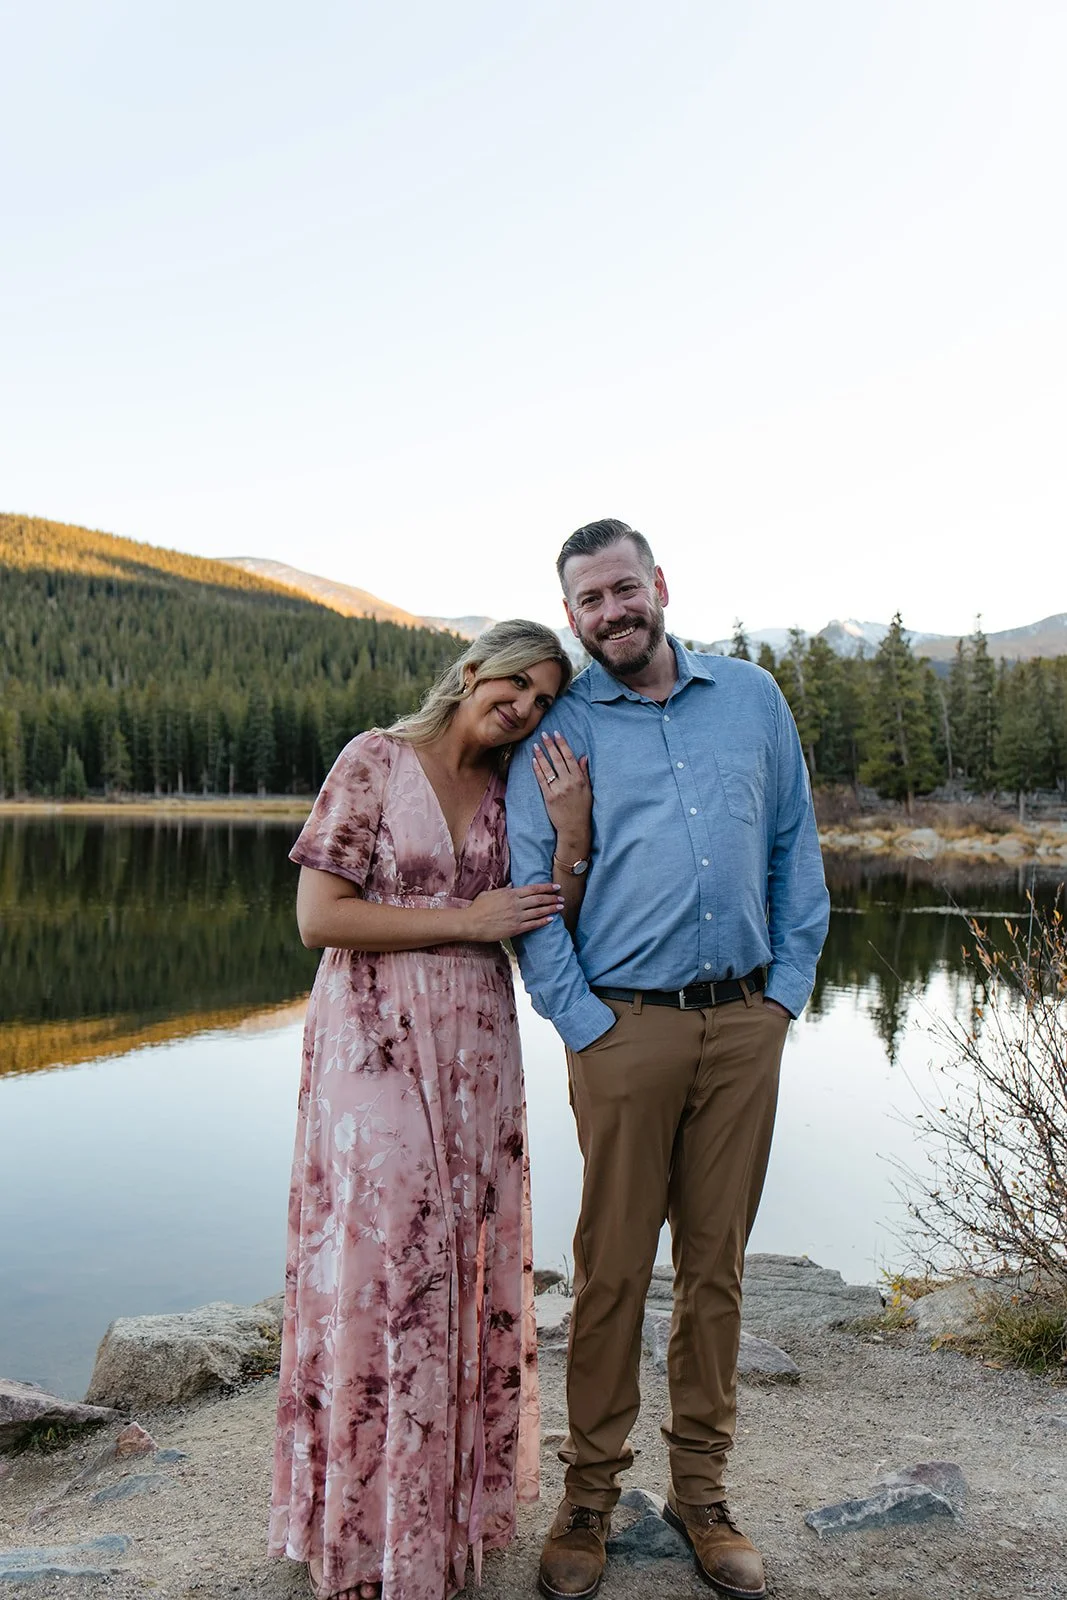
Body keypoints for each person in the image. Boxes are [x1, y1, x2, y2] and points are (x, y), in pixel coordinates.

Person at [506, 521, 830, 1600]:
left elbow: (794, 851)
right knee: (606, 1273)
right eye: (588, 600)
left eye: (623, 588)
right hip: (621, 1027)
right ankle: (587, 1496)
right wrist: (578, 1020)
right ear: (572, 617)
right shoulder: (556, 733)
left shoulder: (751, 699)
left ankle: (703, 1491)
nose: (611, 611)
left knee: (714, 1268)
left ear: (659, 586)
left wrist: (782, 995)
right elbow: (531, 898)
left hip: (743, 1020)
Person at [269, 620, 592, 1600]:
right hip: (370, 1038)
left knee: (463, 1264)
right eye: (517, 686)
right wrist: (462, 920)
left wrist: (569, 833)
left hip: (476, 1051)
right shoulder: (373, 759)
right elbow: (318, 917)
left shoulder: (511, 792)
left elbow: (544, 917)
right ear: (470, 672)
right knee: (387, 1261)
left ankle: (438, 1517)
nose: (525, 709)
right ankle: (365, 1525)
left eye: (543, 701)